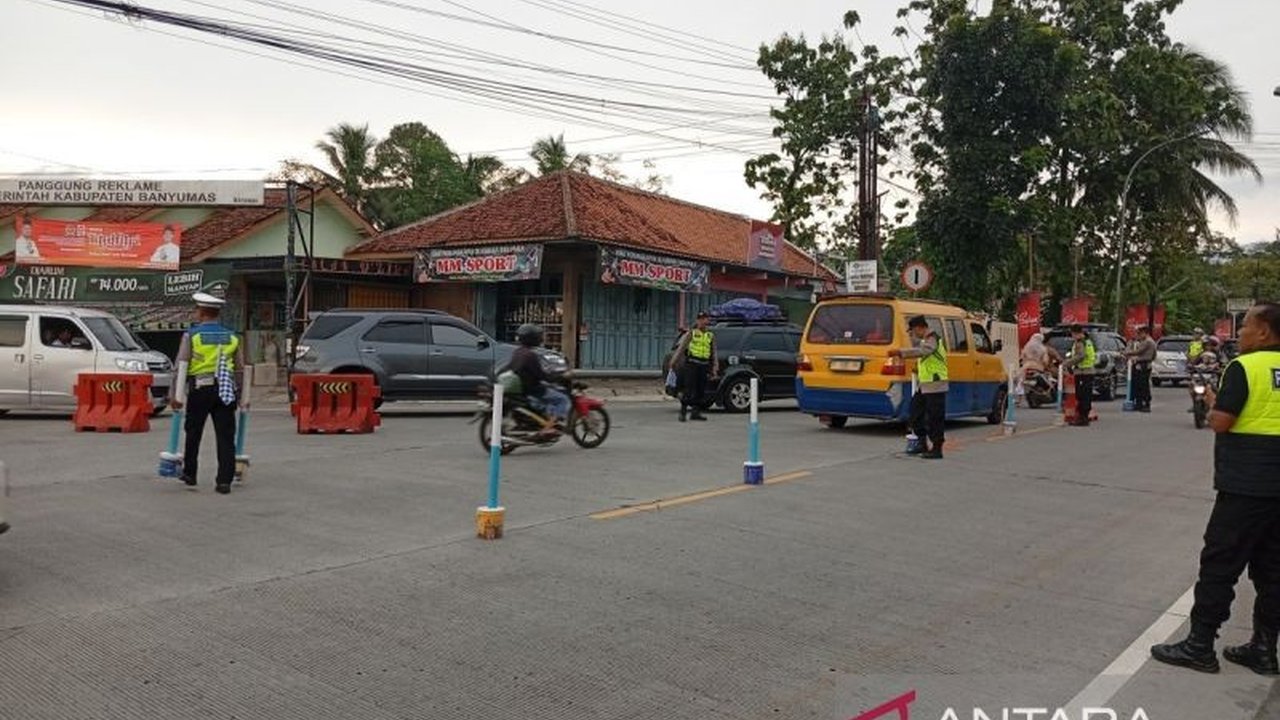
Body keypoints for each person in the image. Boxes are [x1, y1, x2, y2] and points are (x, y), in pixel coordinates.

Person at [1150, 302, 1280, 675]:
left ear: (1265, 332)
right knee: (1273, 569)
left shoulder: (1244, 367)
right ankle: (1264, 648)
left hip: (1246, 486)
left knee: (1220, 565)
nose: (1240, 334)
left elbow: (1222, 422)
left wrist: (1211, 404)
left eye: (1246, 327)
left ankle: (1200, 644)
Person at [169, 293, 247, 495]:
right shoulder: (232, 336)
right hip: (225, 389)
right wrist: (240, 395)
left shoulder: (192, 336)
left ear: (201, 313)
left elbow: (181, 367)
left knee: (193, 432)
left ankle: (190, 473)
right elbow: (239, 369)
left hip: (200, 389)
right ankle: (224, 481)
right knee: (226, 436)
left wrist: (175, 395)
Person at [890, 315, 948, 459]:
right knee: (915, 414)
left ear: (919, 328)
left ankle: (937, 448)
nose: (912, 334)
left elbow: (925, 351)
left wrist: (901, 353)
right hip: (924, 384)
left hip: (936, 384)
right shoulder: (925, 340)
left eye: (913, 331)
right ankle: (922, 443)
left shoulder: (932, 338)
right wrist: (917, 368)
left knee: (934, 418)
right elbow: (926, 358)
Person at [509, 323, 570, 434]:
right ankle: (549, 428)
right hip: (533, 390)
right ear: (532, 338)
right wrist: (559, 376)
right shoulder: (530, 355)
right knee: (563, 399)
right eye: (539, 336)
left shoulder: (517, 352)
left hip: (523, 388)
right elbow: (542, 376)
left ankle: (544, 418)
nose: (541, 338)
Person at [670, 310, 718, 422]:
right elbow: (681, 348)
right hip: (692, 364)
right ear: (697, 321)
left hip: (704, 365)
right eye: (700, 319)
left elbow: (714, 353)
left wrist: (715, 367)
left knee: (700, 390)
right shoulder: (691, 333)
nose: (703, 321)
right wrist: (673, 362)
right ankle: (683, 412)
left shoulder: (710, 335)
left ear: (707, 320)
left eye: (705, 319)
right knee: (688, 390)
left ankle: (696, 412)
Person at [1062, 324, 1097, 426]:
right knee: (1086, 395)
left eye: (1072, 334)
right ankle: (1083, 417)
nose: (1072, 336)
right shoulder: (1088, 341)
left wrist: (1066, 363)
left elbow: (1080, 356)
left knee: (1082, 395)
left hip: (1083, 371)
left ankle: (1082, 418)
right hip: (1088, 371)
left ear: (1075, 333)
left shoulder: (1080, 343)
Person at [1125, 325, 1158, 412]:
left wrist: (1127, 353)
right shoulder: (1151, 341)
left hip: (1143, 365)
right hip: (1145, 364)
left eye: (1140, 333)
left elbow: (1138, 351)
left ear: (1145, 333)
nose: (1138, 335)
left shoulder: (1147, 342)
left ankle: (1146, 404)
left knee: (1143, 385)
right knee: (1139, 385)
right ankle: (1140, 403)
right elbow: (1154, 355)